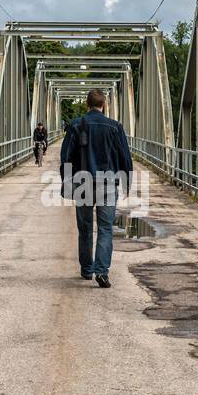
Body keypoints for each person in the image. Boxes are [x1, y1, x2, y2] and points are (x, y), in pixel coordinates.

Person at [59, 89, 133, 288]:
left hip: (83, 184)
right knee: (105, 228)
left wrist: (66, 183)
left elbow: (65, 156)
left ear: (86, 104)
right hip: (108, 183)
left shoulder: (76, 125)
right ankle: (102, 271)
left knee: (84, 229)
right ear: (104, 105)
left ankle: (86, 270)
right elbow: (125, 158)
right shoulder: (115, 127)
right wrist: (127, 183)